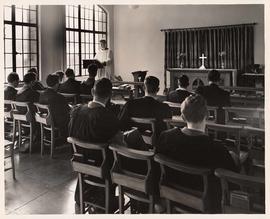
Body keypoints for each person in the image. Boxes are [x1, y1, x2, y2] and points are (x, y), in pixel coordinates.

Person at [156, 94, 238, 212]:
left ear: (183, 117)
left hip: (172, 195)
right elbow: (232, 184)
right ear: (207, 115)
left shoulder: (165, 137)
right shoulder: (217, 148)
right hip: (206, 204)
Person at [69, 78, 120, 212]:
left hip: (80, 159)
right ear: (110, 95)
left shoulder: (76, 111)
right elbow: (119, 144)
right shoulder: (109, 116)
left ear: (92, 91)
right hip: (102, 165)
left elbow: (70, 133)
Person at [39, 74, 70, 138]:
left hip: (45, 120)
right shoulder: (59, 97)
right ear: (56, 84)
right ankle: (67, 138)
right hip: (56, 121)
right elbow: (67, 110)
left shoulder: (41, 94)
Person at [16, 72, 40, 152]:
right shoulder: (32, 93)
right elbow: (38, 108)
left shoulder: (18, 92)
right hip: (31, 120)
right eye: (35, 81)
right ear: (32, 82)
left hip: (21, 120)